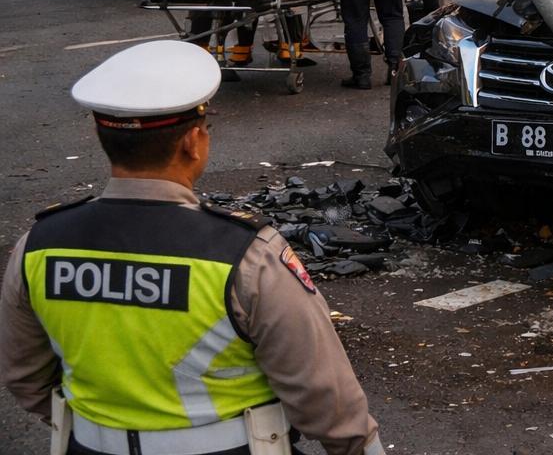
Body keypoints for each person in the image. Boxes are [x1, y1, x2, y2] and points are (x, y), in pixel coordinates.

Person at [0, 40, 385, 455]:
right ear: (192, 142)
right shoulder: (246, 255)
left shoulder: (37, 246)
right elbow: (326, 399)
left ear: (100, 136)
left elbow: (25, 376)